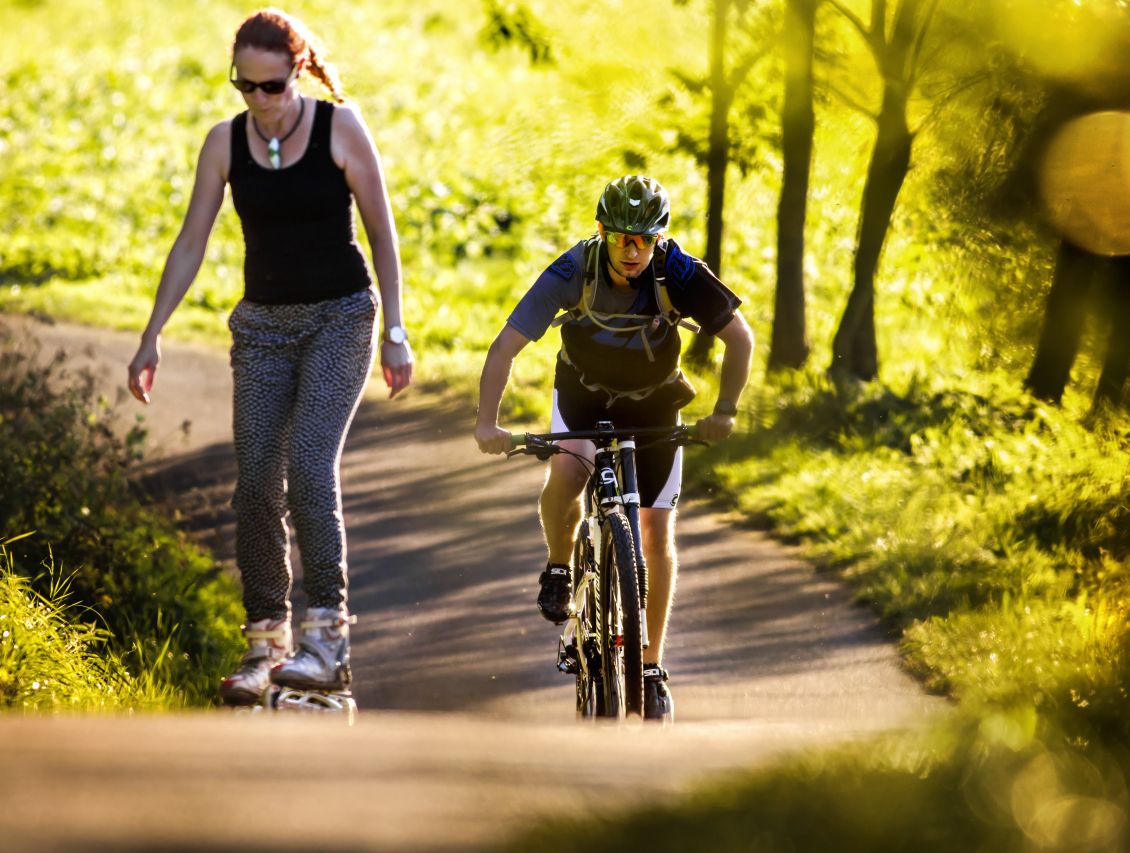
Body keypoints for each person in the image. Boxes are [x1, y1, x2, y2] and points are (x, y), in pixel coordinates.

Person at [126, 8, 413, 707]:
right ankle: (266, 644)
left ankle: (328, 640)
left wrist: (396, 328)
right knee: (255, 481)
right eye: (246, 87)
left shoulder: (340, 129)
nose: (261, 101)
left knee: (310, 465)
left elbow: (381, 232)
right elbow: (192, 240)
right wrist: (152, 331)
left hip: (340, 316)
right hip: (261, 327)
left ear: (298, 70)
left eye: (273, 85)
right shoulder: (224, 144)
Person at [474, 175, 754, 723]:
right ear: (601, 231)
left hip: (654, 401)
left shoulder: (678, 271)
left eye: (644, 239)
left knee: (654, 527)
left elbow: (739, 338)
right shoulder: (572, 270)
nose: (633, 251)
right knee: (569, 470)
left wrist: (724, 412)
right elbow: (505, 346)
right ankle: (559, 567)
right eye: (622, 237)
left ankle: (649, 667)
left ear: (659, 238)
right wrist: (488, 422)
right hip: (583, 393)